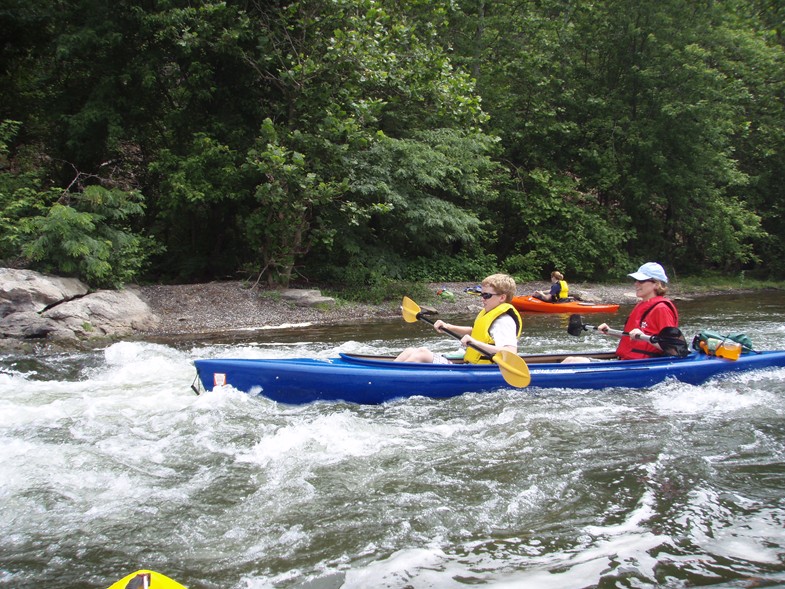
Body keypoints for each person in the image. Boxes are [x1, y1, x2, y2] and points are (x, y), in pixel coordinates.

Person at [562, 262, 678, 363]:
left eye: (641, 281)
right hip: (628, 361)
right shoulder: (642, 305)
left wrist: (643, 337)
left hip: (644, 364)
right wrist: (610, 331)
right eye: (636, 280)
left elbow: (672, 347)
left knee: (572, 361)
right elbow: (631, 337)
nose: (636, 284)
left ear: (656, 284)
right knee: (570, 360)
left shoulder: (662, 309)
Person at [395, 273, 522, 364]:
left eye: (487, 295)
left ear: (502, 297)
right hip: (471, 366)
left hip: (481, 371)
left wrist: (475, 343)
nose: (482, 298)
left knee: (422, 353)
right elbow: (478, 332)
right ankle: (386, 376)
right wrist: (448, 327)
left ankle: (391, 381)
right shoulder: (489, 314)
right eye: (481, 294)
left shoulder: (504, 320)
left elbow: (510, 353)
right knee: (409, 350)